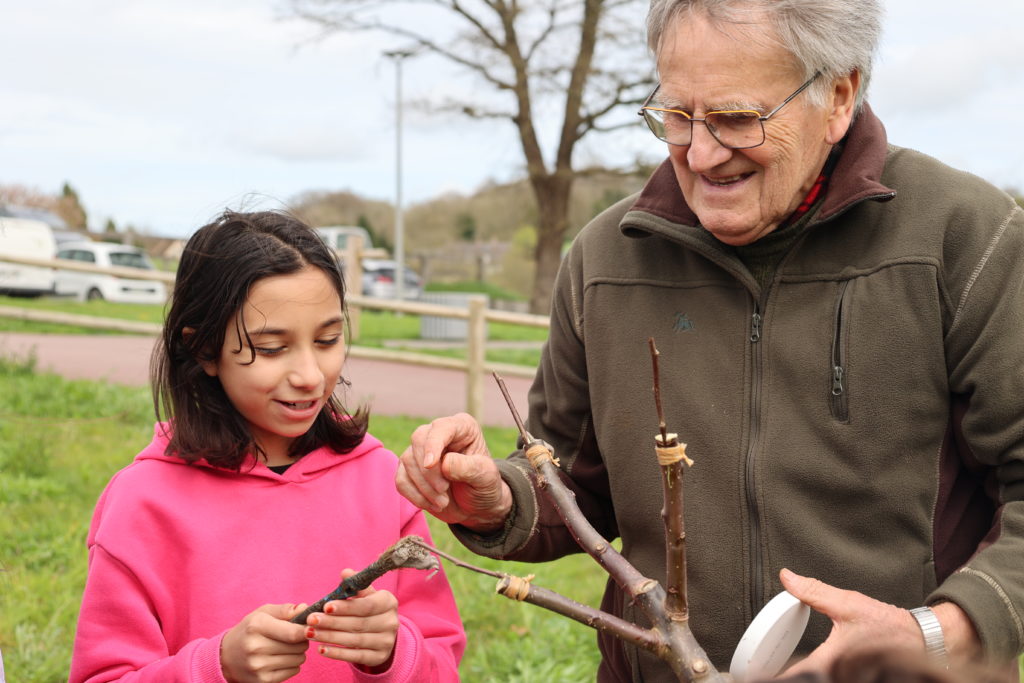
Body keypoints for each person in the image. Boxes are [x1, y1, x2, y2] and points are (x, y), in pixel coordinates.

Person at [396, 0, 1024, 681]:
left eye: (735, 118)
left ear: (838, 94)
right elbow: (568, 478)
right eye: (676, 115)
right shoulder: (607, 259)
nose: (700, 153)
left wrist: (931, 634)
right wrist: (502, 497)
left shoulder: (965, 236)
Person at [70, 210, 465, 682]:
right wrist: (215, 668)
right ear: (203, 350)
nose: (310, 375)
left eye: (327, 339)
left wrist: (393, 653)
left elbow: (442, 664)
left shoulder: (384, 483)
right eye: (272, 348)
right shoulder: (142, 503)